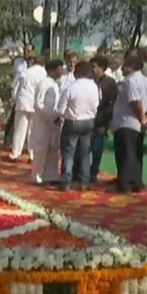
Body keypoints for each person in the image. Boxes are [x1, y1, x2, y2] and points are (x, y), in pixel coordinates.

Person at [56, 61, 100, 192]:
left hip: (73, 121)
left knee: (69, 152)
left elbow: (60, 109)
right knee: (85, 152)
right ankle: (84, 182)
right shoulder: (94, 87)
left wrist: (61, 116)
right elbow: (96, 105)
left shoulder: (71, 87)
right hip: (88, 121)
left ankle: (66, 181)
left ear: (77, 73)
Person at [111, 55, 147, 193]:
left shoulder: (131, 81)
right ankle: (136, 181)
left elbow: (135, 101)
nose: (122, 68)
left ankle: (126, 183)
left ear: (131, 66)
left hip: (127, 121)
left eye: (125, 65)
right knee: (136, 152)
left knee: (126, 153)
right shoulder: (144, 80)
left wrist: (141, 117)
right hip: (137, 123)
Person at [30, 59, 64, 185]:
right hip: (43, 122)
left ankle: (51, 176)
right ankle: (36, 176)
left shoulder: (55, 84)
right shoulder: (43, 83)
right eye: (60, 68)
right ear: (52, 70)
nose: (62, 71)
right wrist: (50, 117)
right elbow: (38, 104)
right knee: (41, 151)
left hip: (54, 123)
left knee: (53, 149)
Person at [9, 55, 46, 162]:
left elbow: (15, 88)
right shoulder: (44, 74)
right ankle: (32, 155)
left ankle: (15, 153)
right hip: (36, 104)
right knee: (33, 131)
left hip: (23, 102)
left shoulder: (25, 72)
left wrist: (15, 100)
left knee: (19, 130)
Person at [89, 55, 118, 183]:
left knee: (97, 149)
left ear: (103, 68)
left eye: (94, 67)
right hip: (87, 119)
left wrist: (107, 120)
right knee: (84, 149)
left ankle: (93, 171)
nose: (92, 69)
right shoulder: (88, 81)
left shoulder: (110, 83)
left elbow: (113, 103)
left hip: (101, 121)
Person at [5, 43, 36, 149]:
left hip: (31, 97)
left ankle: (29, 147)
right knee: (14, 121)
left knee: (30, 126)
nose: (26, 53)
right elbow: (15, 77)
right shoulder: (18, 62)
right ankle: (8, 141)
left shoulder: (37, 66)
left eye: (29, 51)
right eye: (25, 50)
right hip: (18, 92)